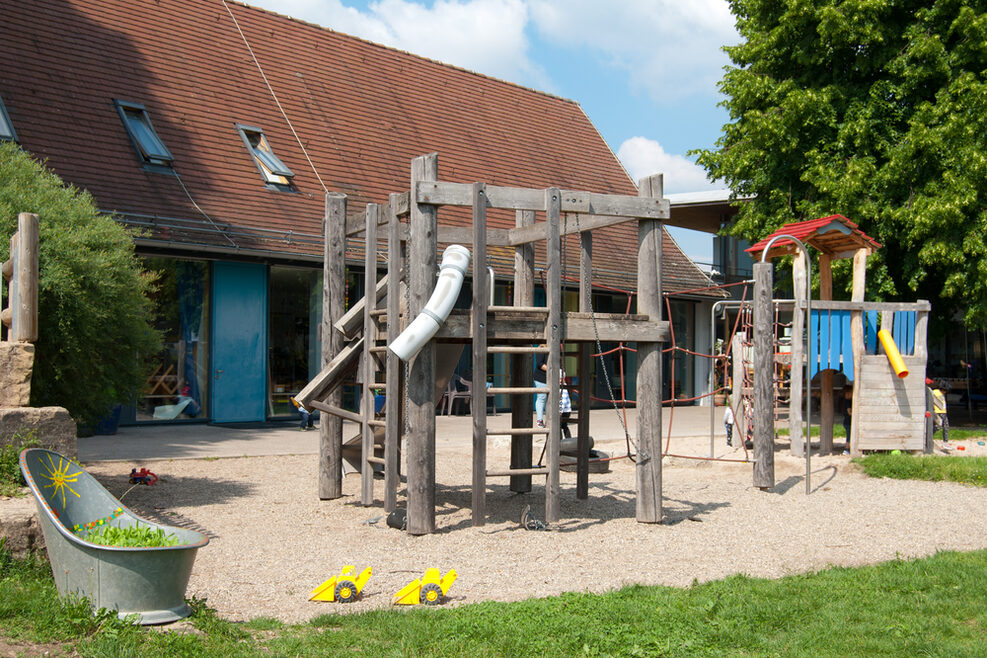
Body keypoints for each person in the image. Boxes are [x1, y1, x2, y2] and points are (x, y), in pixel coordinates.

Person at [927, 377, 949, 447]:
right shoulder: (935, 392)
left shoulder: (942, 394)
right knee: (938, 426)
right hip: (938, 412)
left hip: (943, 412)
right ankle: (928, 436)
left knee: (946, 426)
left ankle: (945, 441)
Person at [533, 348, 548, 428]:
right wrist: (552, 369)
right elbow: (539, 364)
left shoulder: (556, 348)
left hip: (550, 377)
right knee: (541, 398)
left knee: (549, 399)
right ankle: (540, 420)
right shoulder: (541, 349)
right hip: (541, 378)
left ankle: (549, 420)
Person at [559, 372, 572, 440]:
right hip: (567, 410)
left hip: (563, 411)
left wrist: (560, 411)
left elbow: (562, 401)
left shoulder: (562, 388)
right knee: (564, 426)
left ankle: (559, 441)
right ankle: (569, 439)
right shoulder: (564, 386)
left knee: (558, 426)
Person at [841, 386, 853, 454]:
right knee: (849, 436)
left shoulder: (845, 401)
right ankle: (847, 449)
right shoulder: (848, 401)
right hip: (848, 421)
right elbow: (849, 412)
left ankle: (848, 448)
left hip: (846, 421)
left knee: (849, 435)